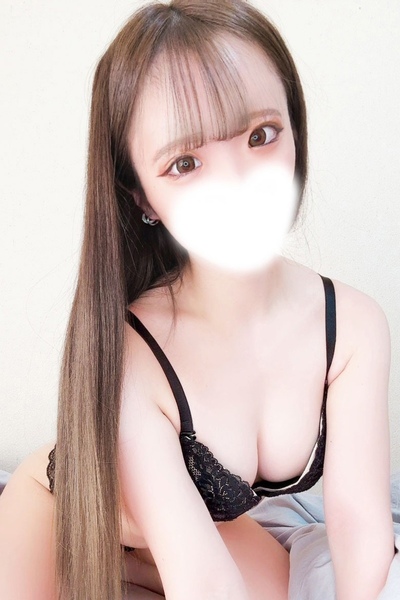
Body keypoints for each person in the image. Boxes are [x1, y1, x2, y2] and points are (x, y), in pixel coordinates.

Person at [0, 1, 396, 599]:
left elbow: (361, 527)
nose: (237, 182)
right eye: (185, 163)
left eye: (261, 135)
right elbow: (204, 583)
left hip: (191, 526)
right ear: (142, 197)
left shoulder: (354, 326)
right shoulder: (134, 348)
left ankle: (139, 566)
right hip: (64, 510)